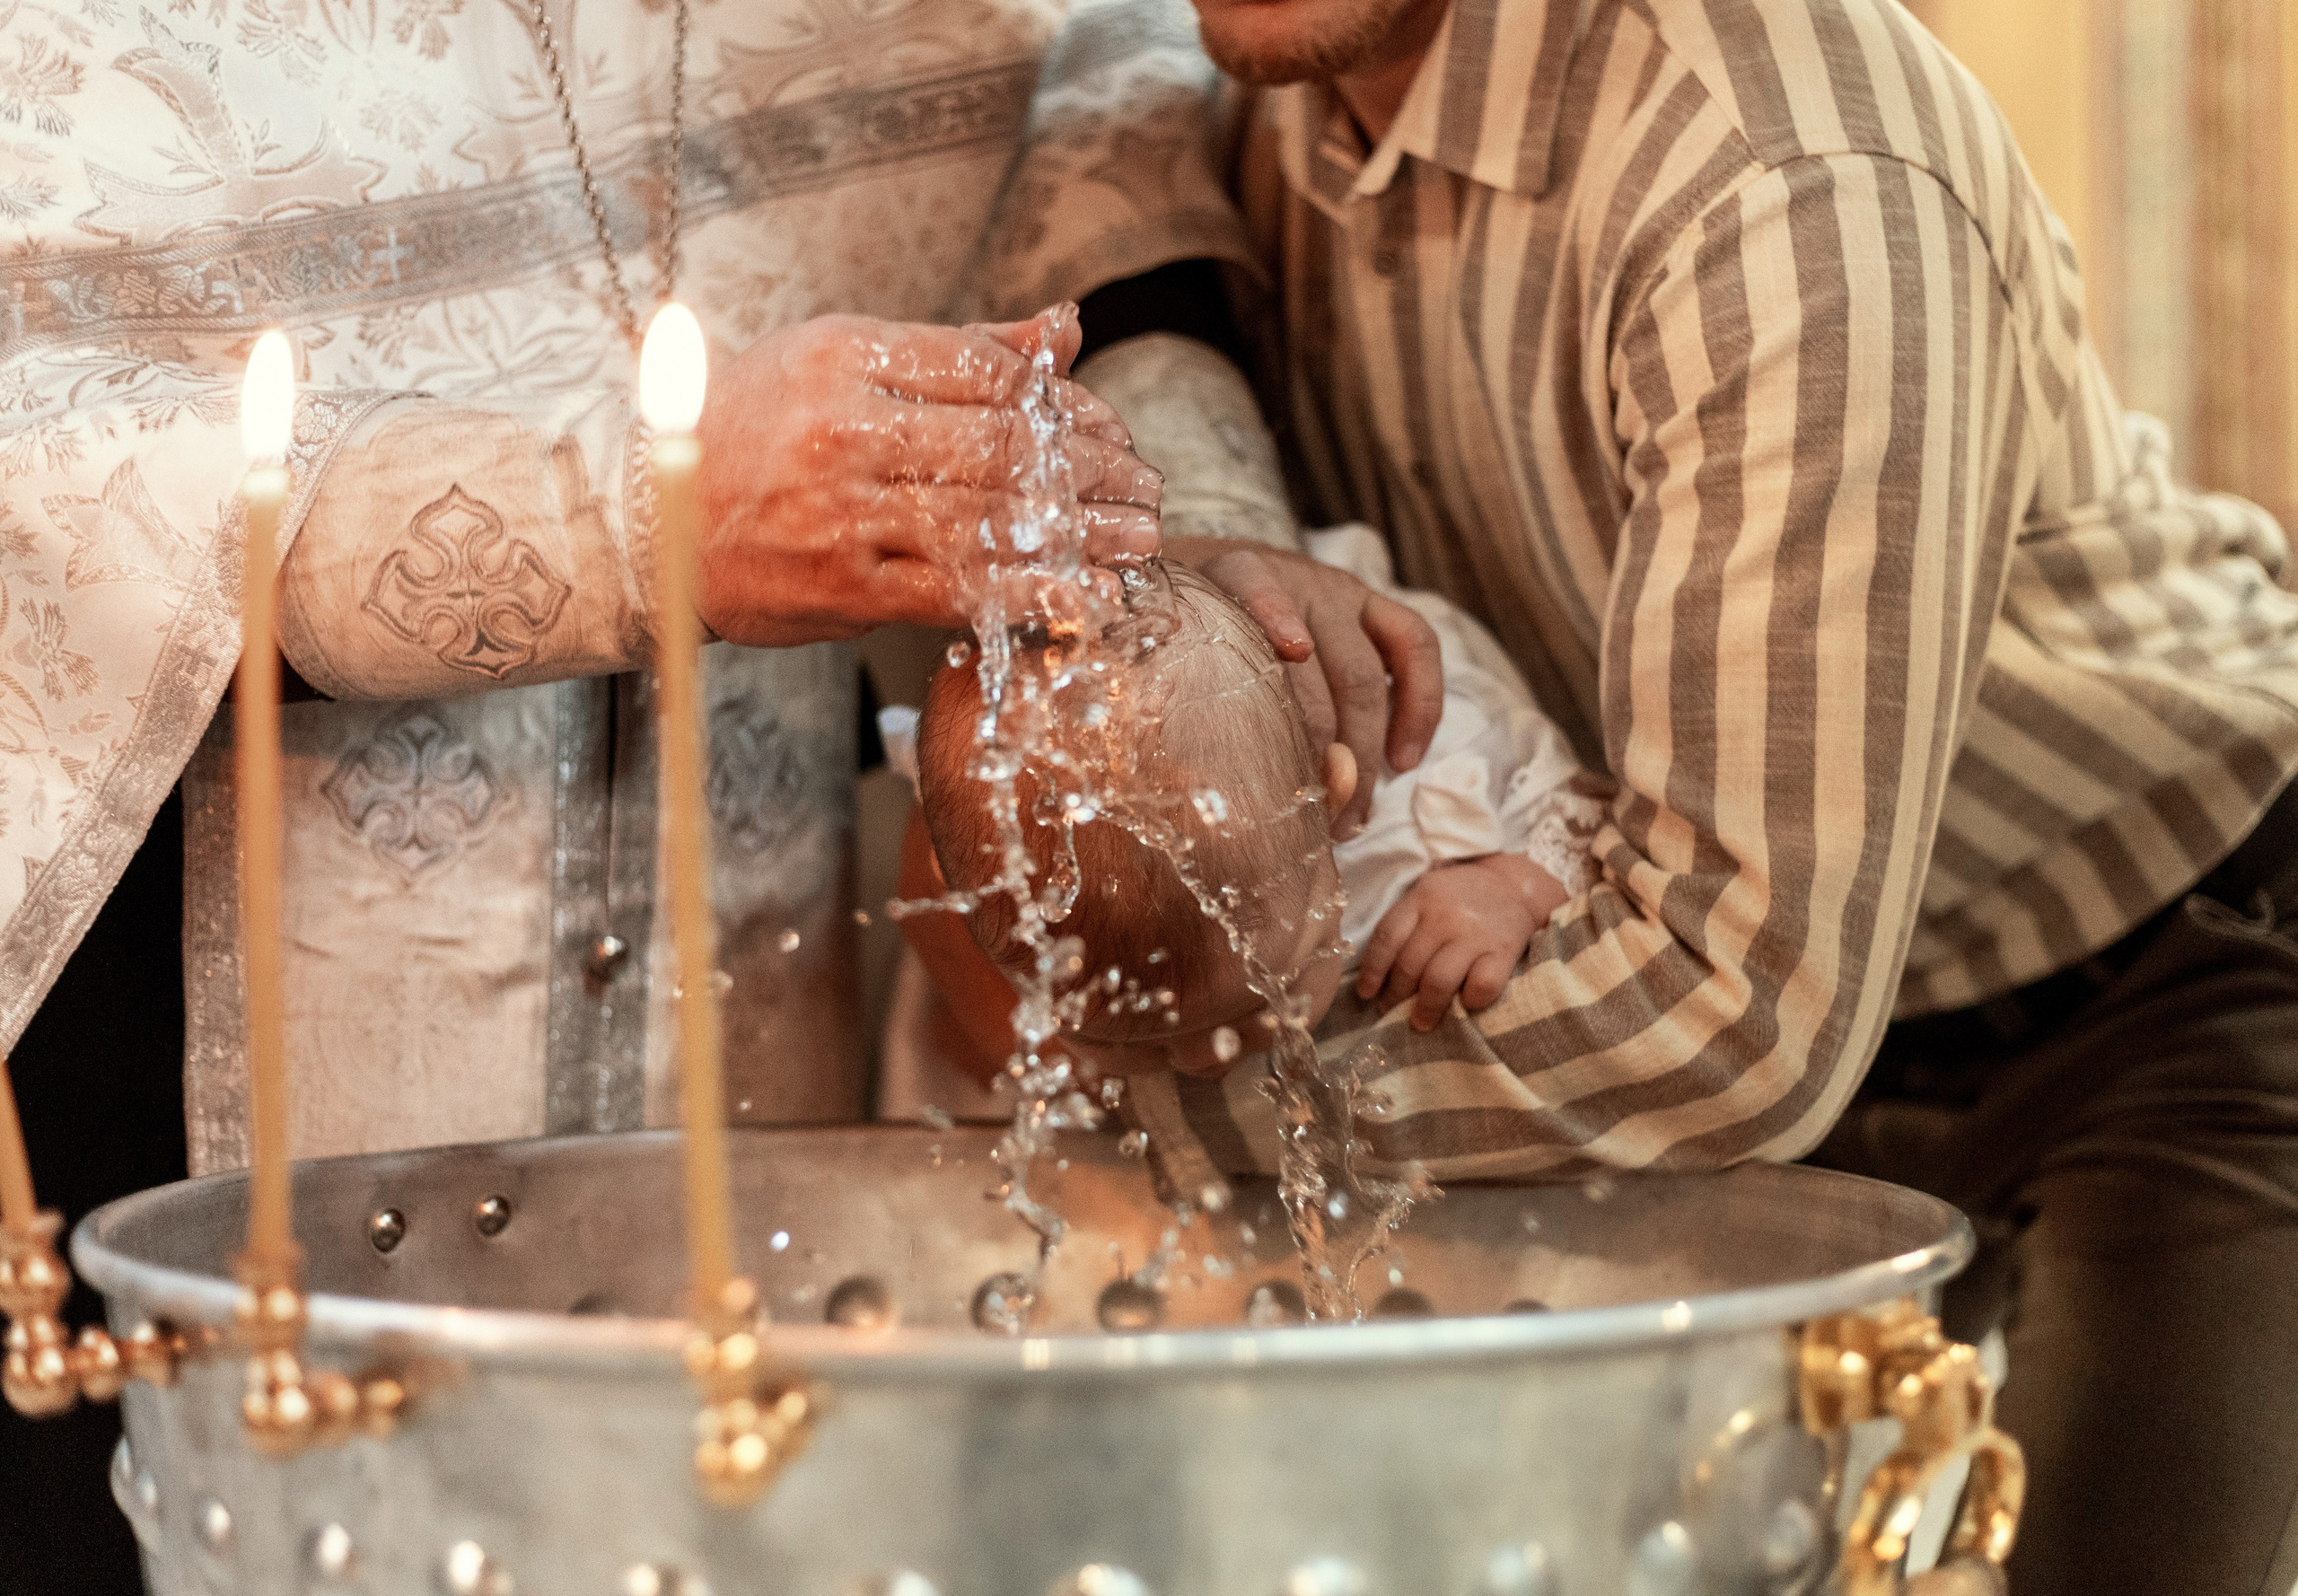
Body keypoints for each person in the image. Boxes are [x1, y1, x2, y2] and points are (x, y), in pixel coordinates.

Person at [970, 0, 2298, 1590]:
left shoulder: (1787, 167)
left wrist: (1165, 1116)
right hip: (1689, 1016)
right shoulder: (1264, 116)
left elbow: (1737, 1009)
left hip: (2170, 963)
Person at [898, 533, 1601, 1090]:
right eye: (1124, 1039)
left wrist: (1512, 883)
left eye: (1274, 987)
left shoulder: (1429, 782)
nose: (1204, 1059)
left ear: (1330, 794)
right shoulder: (992, 810)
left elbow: (1586, 807)